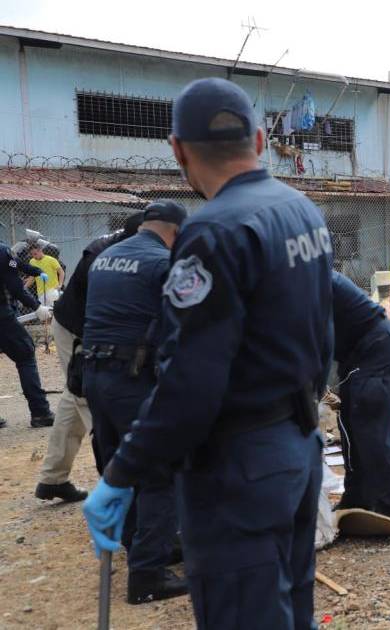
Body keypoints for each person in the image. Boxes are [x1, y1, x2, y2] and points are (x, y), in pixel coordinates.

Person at [82, 77, 334, 628]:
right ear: (262, 140)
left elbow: (189, 383)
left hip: (237, 467)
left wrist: (123, 472)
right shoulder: (301, 210)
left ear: (177, 149)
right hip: (297, 445)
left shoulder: (214, 232)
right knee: (290, 609)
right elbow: (324, 333)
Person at [83, 199, 188, 604]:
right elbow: (174, 331)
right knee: (160, 470)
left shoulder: (105, 257)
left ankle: (144, 548)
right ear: (176, 232)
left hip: (95, 374)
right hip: (132, 379)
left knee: (119, 465)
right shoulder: (163, 264)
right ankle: (148, 576)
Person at [34, 212, 143, 503]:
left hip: (88, 324)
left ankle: (53, 478)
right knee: (97, 400)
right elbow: (106, 314)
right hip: (77, 328)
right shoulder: (106, 257)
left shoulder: (131, 242)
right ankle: (120, 492)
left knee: (75, 396)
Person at [330, 271, 390, 524]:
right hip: (366, 352)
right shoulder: (309, 277)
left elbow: (315, 341)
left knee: (371, 429)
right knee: (352, 427)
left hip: (375, 350)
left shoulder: (311, 281)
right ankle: (358, 496)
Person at [0, 241, 54, 429]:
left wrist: (37, 272)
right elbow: (15, 286)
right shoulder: (1, 251)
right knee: (25, 355)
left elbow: (18, 265)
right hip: (1, 315)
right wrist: (37, 306)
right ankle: (41, 413)